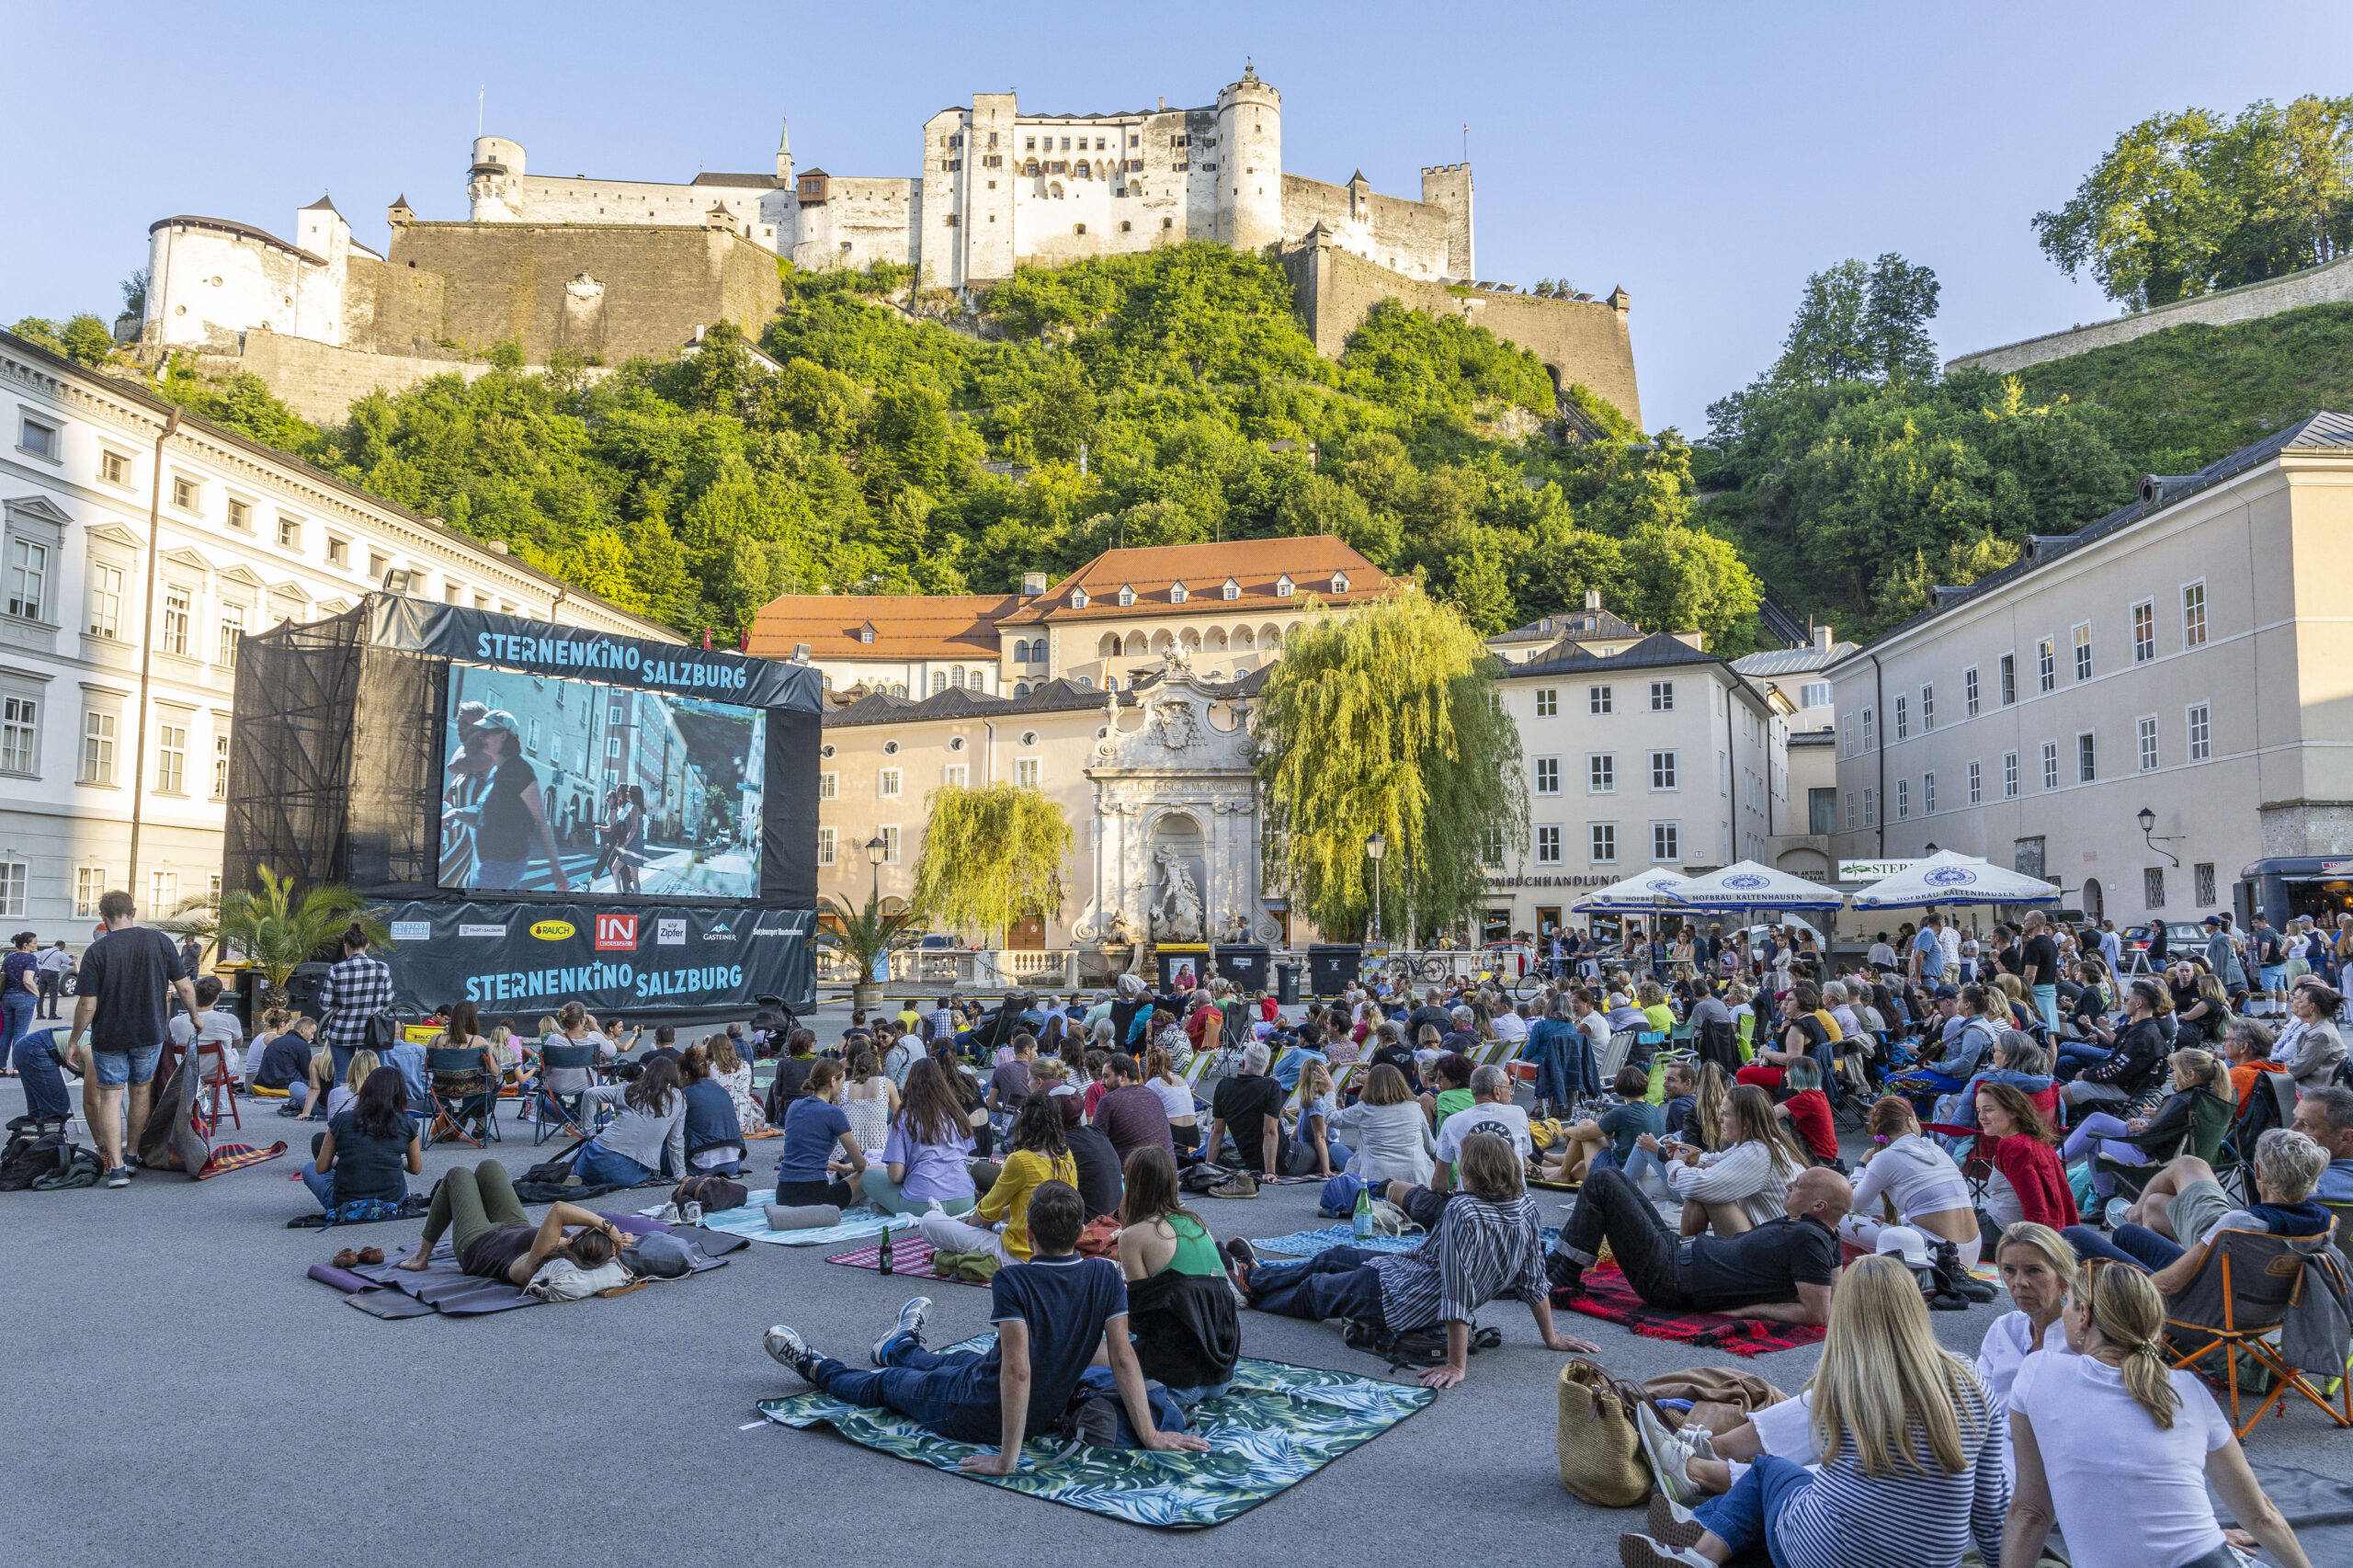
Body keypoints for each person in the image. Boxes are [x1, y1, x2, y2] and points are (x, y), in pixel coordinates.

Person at [766, 1182, 1211, 1471]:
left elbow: (1017, 1371)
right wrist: (1151, 1436)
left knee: (887, 1386)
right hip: (1002, 1391)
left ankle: (814, 1366)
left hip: (977, 1409)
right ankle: (899, 1343)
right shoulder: (1103, 1275)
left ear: (1029, 1235)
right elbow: (1120, 1356)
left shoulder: (1014, 1278)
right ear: (1080, 1230)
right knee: (952, 1361)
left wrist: (1006, 1459)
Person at [1620, 1254, 2007, 1568]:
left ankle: (1701, 1551)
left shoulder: (1847, 1381)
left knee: (1768, 1472)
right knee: (1780, 1493)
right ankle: (1706, 1527)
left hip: (1830, 1554)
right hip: (1929, 1561)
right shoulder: (1972, 1380)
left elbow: (1830, 1482)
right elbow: (1991, 1504)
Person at [2003, 1257, 2315, 1568]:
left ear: (2084, 1315)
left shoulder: (2038, 1374)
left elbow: (2031, 1512)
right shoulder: (2187, 1389)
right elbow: (2261, 1515)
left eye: (2068, 1305)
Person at [1230, 1133, 1598, 1389]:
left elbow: (1457, 1290)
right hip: (1409, 1273)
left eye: (1463, 1167)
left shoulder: (1464, 1211)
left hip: (1407, 1299)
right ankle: (1258, 1276)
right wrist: (1550, 1337)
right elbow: (1534, 1279)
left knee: (1317, 1291)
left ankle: (1252, 1292)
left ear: (1476, 1172)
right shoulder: (1525, 1205)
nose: (1459, 1173)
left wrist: (1457, 1365)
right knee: (1335, 1255)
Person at [1549, 1165, 1851, 1325]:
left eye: (1797, 1185)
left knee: (1602, 1181)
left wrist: (1747, 1311)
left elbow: (1817, 1314)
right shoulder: (1823, 1233)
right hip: (1675, 1252)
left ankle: (1563, 1278)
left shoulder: (1809, 1238)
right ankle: (1556, 1266)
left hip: (1668, 1278)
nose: (1788, 1185)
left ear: (1819, 1205)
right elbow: (1833, 1299)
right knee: (1615, 1176)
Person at [2065, 1131, 2334, 1291]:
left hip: (2201, 1308)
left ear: (2259, 1172)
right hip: (2259, 1310)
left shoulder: (2240, 1222)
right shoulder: (2324, 1223)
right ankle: (2134, 1218)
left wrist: (2129, 1290)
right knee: (2130, 1232)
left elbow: (2170, 1283)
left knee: (2073, 1236)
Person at [70, 888, 202, 1187]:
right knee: (140, 1091)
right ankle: (132, 1155)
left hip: (109, 1035)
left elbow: (87, 1004)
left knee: (111, 1097)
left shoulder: (97, 951)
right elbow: (184, 987)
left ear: (102, 917)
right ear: (134, 911)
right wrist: (195, 1016)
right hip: (149, 1033)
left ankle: (116, 1168)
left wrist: (75, 1039)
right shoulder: (160, 941)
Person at [1112, 1146, 1240, 1406]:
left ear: (1132, 1185)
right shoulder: (1197, 1222)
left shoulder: (1132, 1236)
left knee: (1095, 1352)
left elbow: (1140, 1319)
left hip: (1177, 1383)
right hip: (1222, 1375)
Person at [397, 1160, 633, 1285]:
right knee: (490, 1166)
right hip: (513, 1225)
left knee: (458, 1174)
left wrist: (608, 1227)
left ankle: (421, 1257)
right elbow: (603, 1257)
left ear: (572, 1243)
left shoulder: (538, 1262)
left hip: (476, 1242)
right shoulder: (581, 1253)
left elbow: (560, 1209)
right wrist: (617, 1243)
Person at [920, 1095, 1078, 1267]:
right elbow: (1030, 1206)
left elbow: (987, 1210)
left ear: (1024, 1123)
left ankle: (946, 1222)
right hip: (1061, 1251)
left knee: (929, 1221)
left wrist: (967, 1229)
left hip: (1020, 1255)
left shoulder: (1021, 1160)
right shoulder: (1066, 1156)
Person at [2062, 1048, 2233, 1206]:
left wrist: (2140, 1130)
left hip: (2156, 1159)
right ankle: (2055, 1160)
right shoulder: (2211, 1098)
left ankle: (2104, 1200)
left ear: (2190, 1075)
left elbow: (2146, 1143)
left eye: (2176, 1071)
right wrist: (2145, 1125)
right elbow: (2173, 1129)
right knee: (2096, 1120)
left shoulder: (2182, 1100)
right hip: (2180, 1153)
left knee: (2094, 1139)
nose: (2172, 1075)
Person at [1648, 1083, 1807, 1238]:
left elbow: (1697, 1186)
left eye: (1725, 1114)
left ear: (1746, 1122)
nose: (1719, 1119)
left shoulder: (1758, 1152)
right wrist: (1688, 1156)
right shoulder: (1766, 1143)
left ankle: (1684, 1254)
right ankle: (1686, 1252)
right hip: (1779, 1236)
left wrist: (1675, 1162)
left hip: (1775, 1246)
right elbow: (1717, 1157)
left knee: (1704, 1192)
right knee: (1707, 1183)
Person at [1843, 1097, 1983, 1264]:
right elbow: (1936, 1205)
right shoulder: (1936, 1149)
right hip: (1971, 1251)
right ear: (1910, 1121)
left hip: (1937, 1255)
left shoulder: (1886, 1157)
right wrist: (1899, 1222)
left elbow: (1852, 1203)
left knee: (1837, 1216)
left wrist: (1861, 1166)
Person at [858, 1056, 978, 1216]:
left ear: (910, 1084)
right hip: (964, 1200)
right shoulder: (958, 1114)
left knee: (868, 1176)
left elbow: (895, 1175)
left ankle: (893, 1205)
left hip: (922, 1204)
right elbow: (965, 1156)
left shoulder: (903, 1118)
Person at [299, 1064, 423, 1211]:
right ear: (400, 1093)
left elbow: (320, 1168)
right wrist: (392, 1159)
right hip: (392, 1200)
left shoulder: (341, 1120)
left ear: (366, 1089)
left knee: (308, 1168)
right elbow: (415, 1169)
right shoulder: (408, 1123)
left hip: (346, 1201)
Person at [1976, 1082, 2076, 1235]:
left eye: (1988, 1110)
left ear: (2012, 1112)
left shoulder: (2013, 1146)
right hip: (2036, 1228)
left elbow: (2035, 1207)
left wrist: (2034, 1246)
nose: (1981, 1117)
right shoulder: (2036, 1140)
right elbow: (2064, 1196)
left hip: (2005, 1233)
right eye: (1979, 1111)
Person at [572, 1056, 687, 1187]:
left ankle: (571, 1172)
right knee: (641, 1165)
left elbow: (590, 1094)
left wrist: (590, 1133)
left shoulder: (628, 1089)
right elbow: (675, 1140)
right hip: (625, 1171)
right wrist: (680, 1175)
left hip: (592, 1161)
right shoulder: (678, 1098)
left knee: (586, 1147)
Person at [1546, 1065, 1660, 1187]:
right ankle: (1544, 1162)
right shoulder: (1655, 1110)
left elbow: (1584, 1134)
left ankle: (1562, 1172)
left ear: (1619, 1088)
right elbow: (1626, 1133)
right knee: (1577, 1169)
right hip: (1644, 1174)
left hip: (1619, 1172)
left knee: (1585, 1124)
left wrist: (1568, 1130)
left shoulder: (1622, 1113)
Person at [774, 1059, 867, 1207]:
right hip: (816, 1196)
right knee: (873, 1172)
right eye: (842, 1083)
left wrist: (841, 1167)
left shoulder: (794, 1106)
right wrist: (864, 1165)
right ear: (832, 1081)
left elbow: (805, 1156)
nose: (843, 1088)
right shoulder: (834, 1113)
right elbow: (860, 1164)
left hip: (784, 1194)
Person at [1329, 1062, 1437, 1187]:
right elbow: (1431, 1147)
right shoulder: (1415, 1108)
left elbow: (1331, 1118)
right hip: (1415, 1178)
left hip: (1376, 1178)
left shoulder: (1364, 1109)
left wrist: (1330, 1091)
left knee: (1335, 1148)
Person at [315, 921, 392, 1084]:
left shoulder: (336, 970)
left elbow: (324, 1003)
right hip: (372, 1033)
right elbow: (388, 1000)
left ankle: (341, 1108)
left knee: (342, 1077)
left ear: (346, 946)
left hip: (342, 1032)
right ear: (367, 946)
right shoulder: (381, 968)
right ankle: (376, 1108)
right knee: (376, 1076)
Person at [1204, 1041, 1287, 1176]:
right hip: (1281, 1158)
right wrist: (1270, 1173)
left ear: (1242, 1064)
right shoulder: (1272, 1087)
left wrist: (1208, 1167)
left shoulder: (1224, 1086)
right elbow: (1269, 1132)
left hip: (1247, 1157)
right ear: (1267, 1068)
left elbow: (1217, 1130)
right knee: (1320, 1149)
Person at [1092, 1051, 1175, 1166]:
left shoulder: (1109, 1101)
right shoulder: (1152, 1095)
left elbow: (1095, 1146)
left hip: (1134, 1177)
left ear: (1123, 1076)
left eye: (1106, 1077)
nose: (1102, 1083)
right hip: (1169, 1172)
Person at [676, 1046, 745, 1176]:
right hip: (732, 1162)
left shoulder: (684, 1095)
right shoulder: (721, 1090)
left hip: (700, 1166)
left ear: (685, 1075)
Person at [2270, 979, 2347, 1093]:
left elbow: (2295, 1069)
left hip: (2312, 1091)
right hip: (2309, 1086)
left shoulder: (2321, 1034)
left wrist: (2262, 1068)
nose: (2294, 1002)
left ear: (2312, 1007)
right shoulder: (2318, 1028)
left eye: (2299, 1001)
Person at [1285, 1059, 1347, 1177]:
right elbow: (1303, 1129)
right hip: (1317, 1147)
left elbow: (1320, 1137)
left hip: (1323, 1147)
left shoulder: (1315, 1101)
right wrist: (1288, 1141)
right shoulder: (1311, 1099)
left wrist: (1326, 1170)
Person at [0, 931, 40, 1070]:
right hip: (24, 997)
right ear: (25, 945)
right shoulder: (30, 959)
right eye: (34, 943)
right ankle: (17, 1068)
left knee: (6, 1032)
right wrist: (37, 994)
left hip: (7, 998)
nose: (36, 945)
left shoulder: (8, 958)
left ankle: (1, 1066)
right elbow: (27, 981)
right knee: (20, 1033)